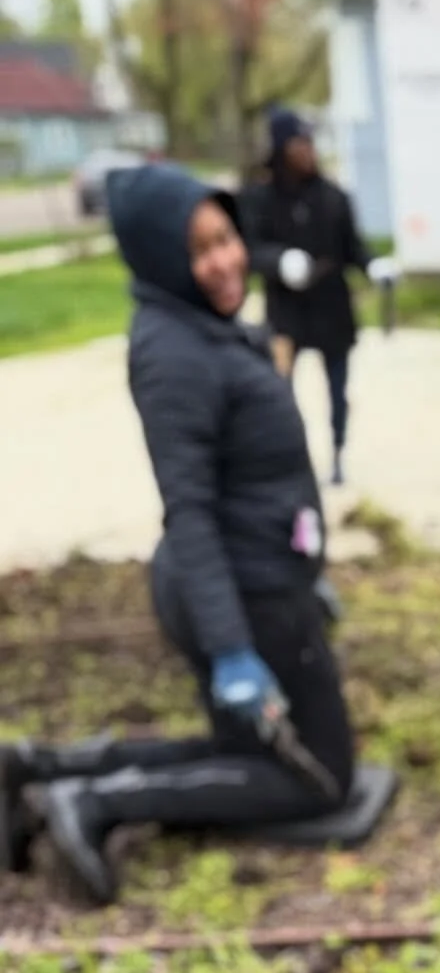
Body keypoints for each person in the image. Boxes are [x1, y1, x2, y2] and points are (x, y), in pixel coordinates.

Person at [0, 162, 355, 905]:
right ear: (165, 259)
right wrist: (232, 650)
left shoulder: (206, 326)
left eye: (225, 237)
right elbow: (189, 511)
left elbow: (255, 478)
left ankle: (43, 770)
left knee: (240, 750)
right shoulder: (174, 356)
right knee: (319, 778)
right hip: (239, 592)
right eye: (200, 250)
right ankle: (92, 806)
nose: (224, 261)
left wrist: (304, 562)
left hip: (264, 575)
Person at [242, 110, 397, 486]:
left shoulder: (333, 197)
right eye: (299, 144)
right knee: (279, 391)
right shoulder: (259, 198)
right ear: (281, 149)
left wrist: (374, 265)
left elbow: (352, 247)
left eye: (310, 143)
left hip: (332, 309)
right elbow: (250, 248)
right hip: (286, 312)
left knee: (338, 390)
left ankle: (339, 454)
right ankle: (289, 457)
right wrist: (279, 261)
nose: (307, 151)